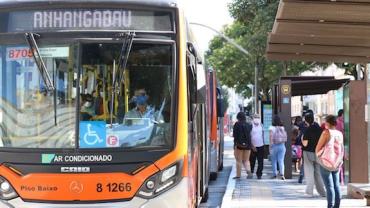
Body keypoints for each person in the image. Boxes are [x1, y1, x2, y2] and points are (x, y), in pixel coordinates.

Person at [316, 115, 343, 208]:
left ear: (328, 122)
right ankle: (337, 206)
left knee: (329, 187)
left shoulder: (326, 132)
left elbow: (318, 147)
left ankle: (330, 206)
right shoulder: (339, 133)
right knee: (336, 185)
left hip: (326, 162)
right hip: (336, 162)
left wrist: (318, 155)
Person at [302, 113, 326, 197]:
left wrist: (302, 139)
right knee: (318, 173)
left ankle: (309, 192)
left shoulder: (307, 130)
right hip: (318, 153)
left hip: (308, 152)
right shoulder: (320, 129)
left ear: (306, 121)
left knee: (309, 172)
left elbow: (305, 143)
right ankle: (322, 192)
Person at [233, 112, 253, 179]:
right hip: (248, 145)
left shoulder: (237, 124)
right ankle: (249, 171)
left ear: (238, 117)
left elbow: (235, 135)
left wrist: (235, 144)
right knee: (246, 160)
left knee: (239, 160)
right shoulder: (248, 125)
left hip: (239, 145)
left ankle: (238, 175)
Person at [269, 115, 287, 180]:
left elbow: (270, 137)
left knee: (274, 161)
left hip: (274, 145)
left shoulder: (271, 127)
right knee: (281, 160)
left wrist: (270, 146)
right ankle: (282, 174)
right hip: (282, 145)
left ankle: (274, 174)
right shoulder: (282, 127)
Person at [249, 114, 264, 179]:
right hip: (253, 146)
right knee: (252, 161)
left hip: (261, 145)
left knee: (260, 161)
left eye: (258, 117)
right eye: (255, 117)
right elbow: (249, 136)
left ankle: (259, 174)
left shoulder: (261, 125)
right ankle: (251, 173)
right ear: (253, 118)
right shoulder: (250, 125)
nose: (257, 118)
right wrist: (252, 146)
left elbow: (263, 135)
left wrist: (264, 143)